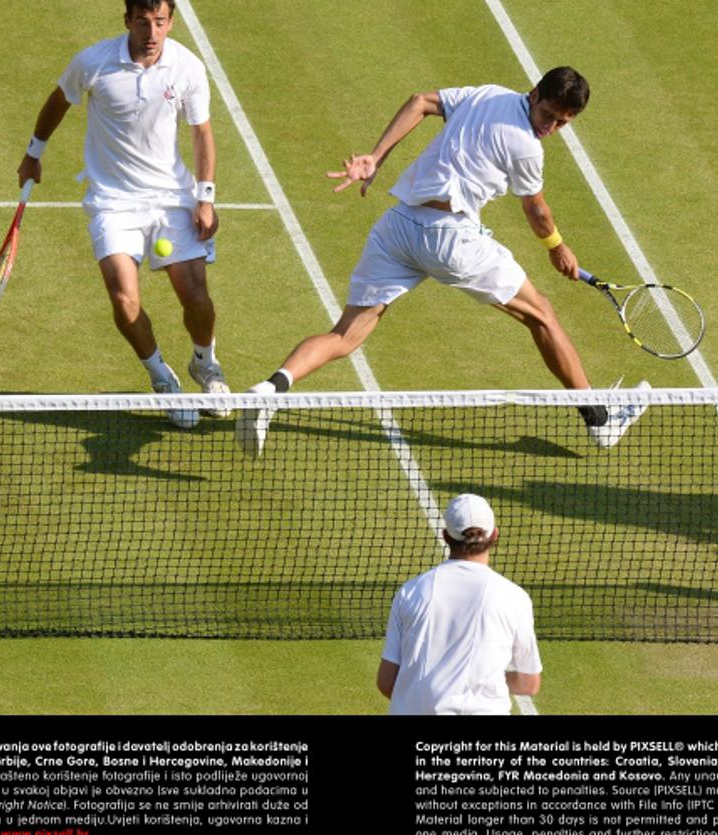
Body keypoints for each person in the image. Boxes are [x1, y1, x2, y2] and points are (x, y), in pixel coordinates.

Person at [235, 66, 647, 457]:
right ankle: (600, 421)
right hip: (451, 240)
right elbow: (535, 209)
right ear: (534, 94)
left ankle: (270, 390)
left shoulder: (488, 94)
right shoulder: (527, 149)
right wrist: (557, 247)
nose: (550, 127)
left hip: (399, 228)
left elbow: (421, 102)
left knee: (345, 335)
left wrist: (376, 157)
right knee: (542, 315)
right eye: (548, 115)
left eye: (562, 123)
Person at [18, 0, 227, 429]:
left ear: (171, 23)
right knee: (124, 300)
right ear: (127, 21)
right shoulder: (93, 62)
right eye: (143, 22)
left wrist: (205, 197)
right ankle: (162, 378)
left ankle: (205, 364)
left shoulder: (187, 67)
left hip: (171, 198)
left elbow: (201, 134)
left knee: (196, 298)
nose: (152, 33)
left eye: (160, 23)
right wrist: (33, 153)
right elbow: (59, 101)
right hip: (113, 202)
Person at [377, 494, 541, 715]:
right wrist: (482, 677)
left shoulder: (410, 592)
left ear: (445, 536)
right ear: (494, 534)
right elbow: (528, 683)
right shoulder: (514, 598)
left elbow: (386, 682)